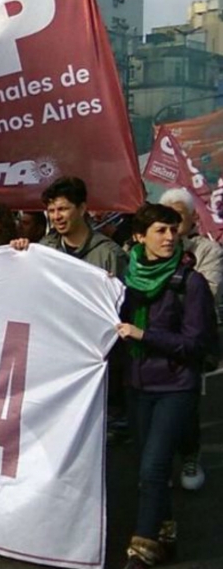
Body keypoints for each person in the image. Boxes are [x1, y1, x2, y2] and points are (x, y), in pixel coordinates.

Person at [115, 204, 216, 569]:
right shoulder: (126, 278)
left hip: (176, 386)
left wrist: (144, 335)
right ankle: (166, 533)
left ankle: (140, 550)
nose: (170, 237)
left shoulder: (191, 283)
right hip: (137, 385)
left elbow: (196, 344)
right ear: (139, 237)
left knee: (153, 469)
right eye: (160, 230)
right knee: (147, 465)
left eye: (173, 230)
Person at [158, 187, 223, 491]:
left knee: (186, 407)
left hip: (189, 343)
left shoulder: (208, 252)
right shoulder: (148, 250)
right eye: (164, 221)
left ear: (193, 219)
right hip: (155, 342)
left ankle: (190, 456)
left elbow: (206, 296)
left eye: (178, 220)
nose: (171, 230)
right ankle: (158, 467)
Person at [14, 176, 129, 279]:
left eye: (63, 209)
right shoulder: (45, 248)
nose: (56, 217)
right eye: (51, 211)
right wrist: (19, 254)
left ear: (82, 209)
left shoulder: (109, 255)